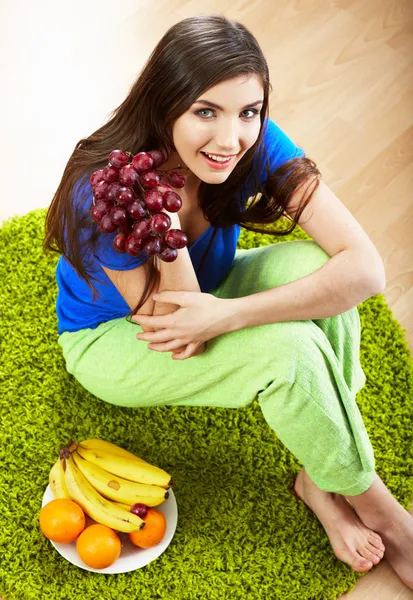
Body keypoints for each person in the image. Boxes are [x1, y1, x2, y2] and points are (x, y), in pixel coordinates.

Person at [43, 14, 413, 587]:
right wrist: (166, 233)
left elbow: (363, 267)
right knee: (288, 351)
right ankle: (385, 515)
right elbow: (182, 328)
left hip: (211, 294)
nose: (230, 139)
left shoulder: (252, 140)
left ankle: (320, 477)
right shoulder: (106, 189)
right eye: (205, 112)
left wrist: (234, 311)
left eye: (249, 110)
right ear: (164, 105)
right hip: (117, 336)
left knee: (318, 270)